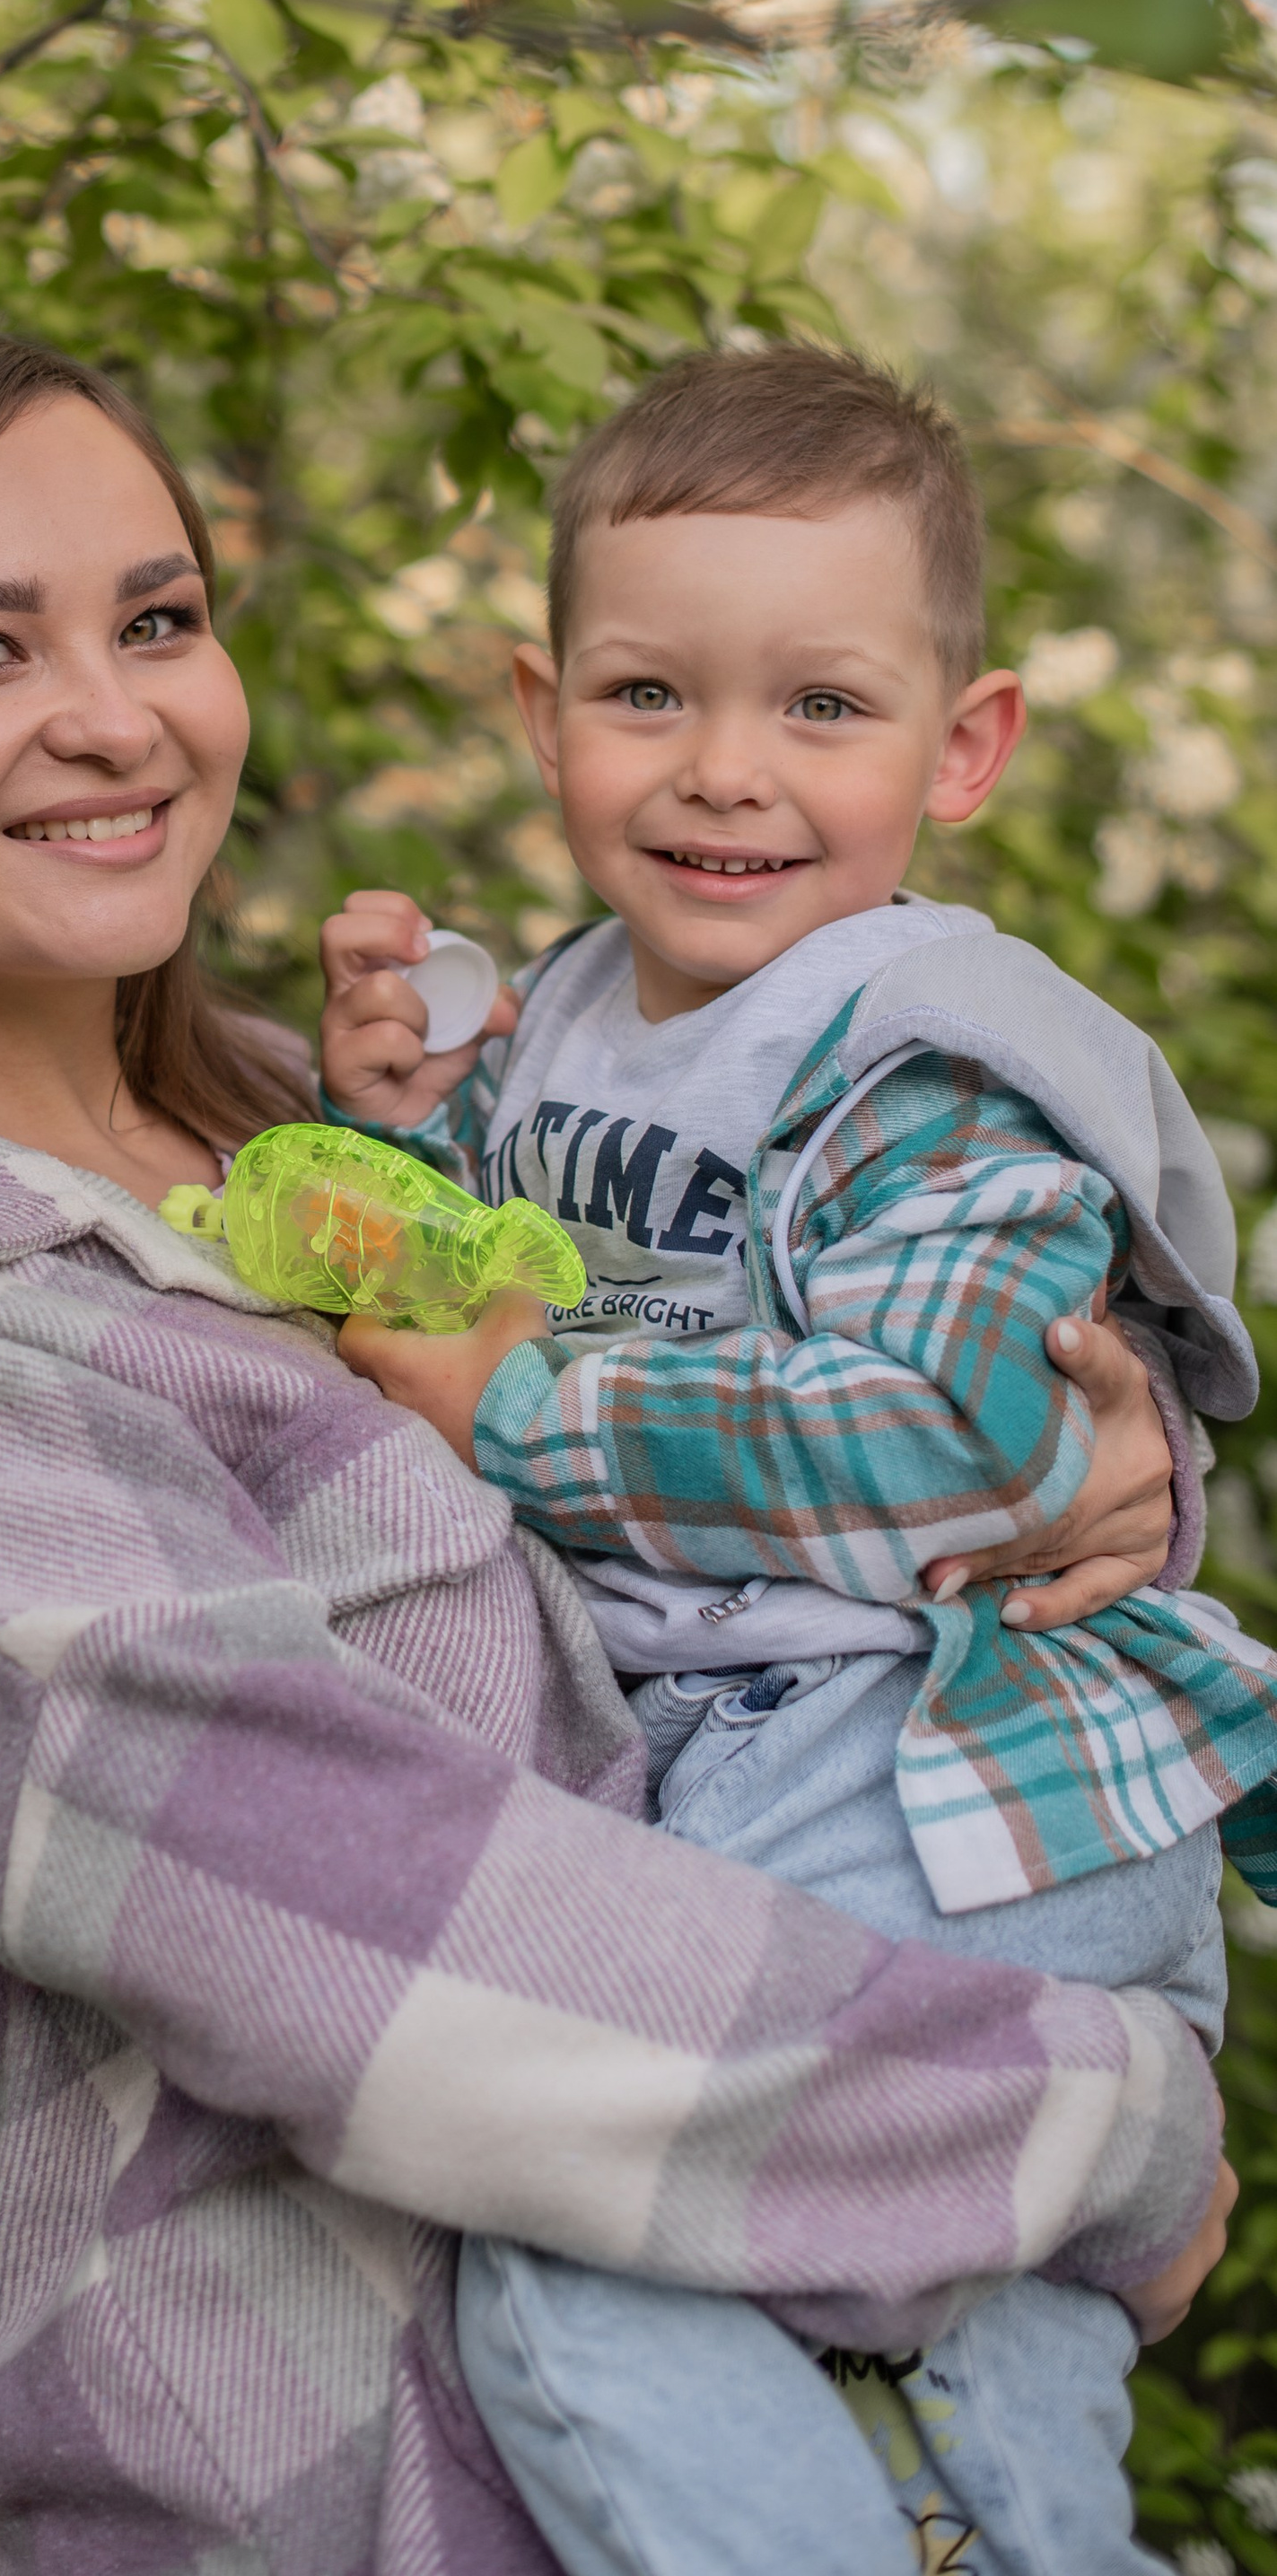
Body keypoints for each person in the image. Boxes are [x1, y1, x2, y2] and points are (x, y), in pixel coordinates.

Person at [0, 314, 1230, 2576]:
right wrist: (1090, 2130)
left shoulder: (310, 1132)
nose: (111, 712)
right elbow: (407, 1958)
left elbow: (787, 1381)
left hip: (799, 2411)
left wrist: (1076, 1477)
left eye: (155, 618)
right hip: (360, 2503)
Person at [318, 344, 1273, 2576]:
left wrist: (515, 1418)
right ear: (538, 711)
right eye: (649, 698)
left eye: (818, 710)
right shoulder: (575, 1009)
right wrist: (383, 1120)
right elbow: (463, 1262)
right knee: (972, 2372)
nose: (724, 774)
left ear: (962, 749)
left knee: (570, 2240)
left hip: (925, 1761)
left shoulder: (926, 1056)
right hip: (805, 1761)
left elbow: (965, 1429)